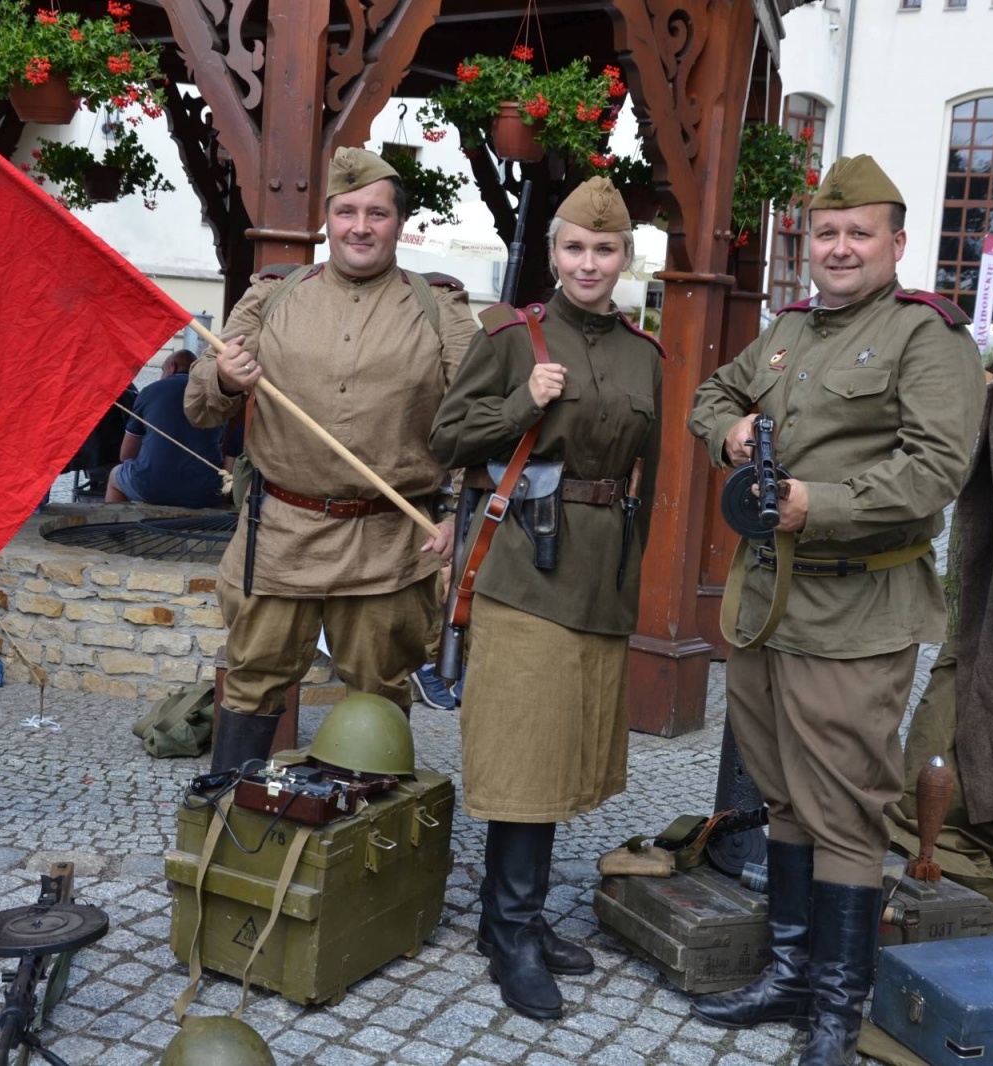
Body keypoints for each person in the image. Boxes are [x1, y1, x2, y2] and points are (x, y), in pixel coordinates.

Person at [687, 155, 985, 1064]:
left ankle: (835, 1009)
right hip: (767, 604)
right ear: (806, 244)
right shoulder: (787, 330)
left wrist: (823, 502)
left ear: (897, 243)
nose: (841, 247)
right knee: (781, 794)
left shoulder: (926, 339)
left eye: (860, 233)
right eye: (827, 233)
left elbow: (939, 467)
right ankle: (787, 974)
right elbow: (712, 393)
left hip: (858, 606)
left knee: (846, 808)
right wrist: (729, 429)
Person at [429, 177, 662, 1021]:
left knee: (564, 747)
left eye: (605, 250)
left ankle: (510, 917)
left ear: (625, 258)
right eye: (574, 248)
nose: (589, 263)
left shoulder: (646, 355)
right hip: (524, 568)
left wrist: (631, 584)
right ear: (554, 254)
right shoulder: (511, 337)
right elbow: (446, 437)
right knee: (526, 748)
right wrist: (518, 403)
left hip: (599, 577)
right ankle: (512, 931)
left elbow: (650, 480)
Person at [184, 147, 476, 772]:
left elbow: (479, 419)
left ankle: (370, 834)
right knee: (253, 679)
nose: (360, 227)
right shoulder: (271, 296)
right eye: (346, 212)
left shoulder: (440, 308)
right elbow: (199, 404)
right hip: (281, 534)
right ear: (328, 221)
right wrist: (229, 382)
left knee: (379, 692)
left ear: (400, 224)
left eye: (376, 213)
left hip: (389, 543)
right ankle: (229, 813)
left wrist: (459, 511)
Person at [106, 351, 227, 508]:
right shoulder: (215, 395)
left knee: (115, 476)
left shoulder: (150, 391)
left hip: (151, 488)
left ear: (172, 367)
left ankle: (116, 531)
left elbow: (126, 455)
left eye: (162, 370)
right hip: (205, 492)